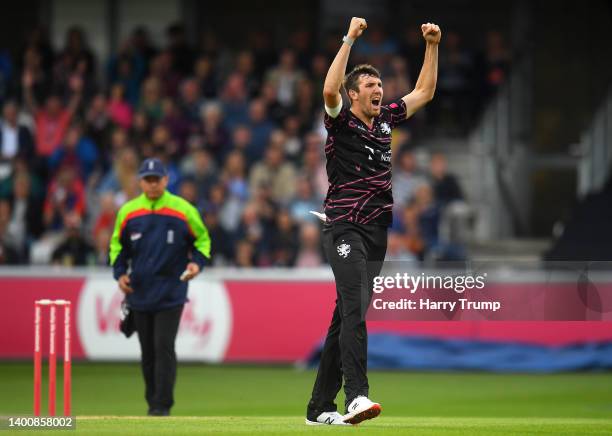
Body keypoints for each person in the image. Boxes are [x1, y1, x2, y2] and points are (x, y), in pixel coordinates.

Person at [305, 17, 440, 426]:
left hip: (377, 231)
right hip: (344, 225)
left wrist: (432, 45)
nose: (379, 91)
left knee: (345, 316)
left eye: (380, 86)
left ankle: (318, 408)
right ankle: (357, 396)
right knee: (354, 310)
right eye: (369, 87)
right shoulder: (340, 121)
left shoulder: (386, 121)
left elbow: (424, 92)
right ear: (353, 95)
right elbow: (329, 89)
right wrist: (350, 39)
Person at [109, 158, 211, 416]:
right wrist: (119, 273)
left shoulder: (183, 209)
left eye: (157, 179)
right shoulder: (128, 212)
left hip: (171, 291)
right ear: (140, 182)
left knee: (163, 346)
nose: (152, 184)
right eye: (148, 180)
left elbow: (202, 240)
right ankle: (153, 402)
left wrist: (196, 265)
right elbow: (117, 247)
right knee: (148, 351)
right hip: (139, 292)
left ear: (166, 180)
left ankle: (161, 406)